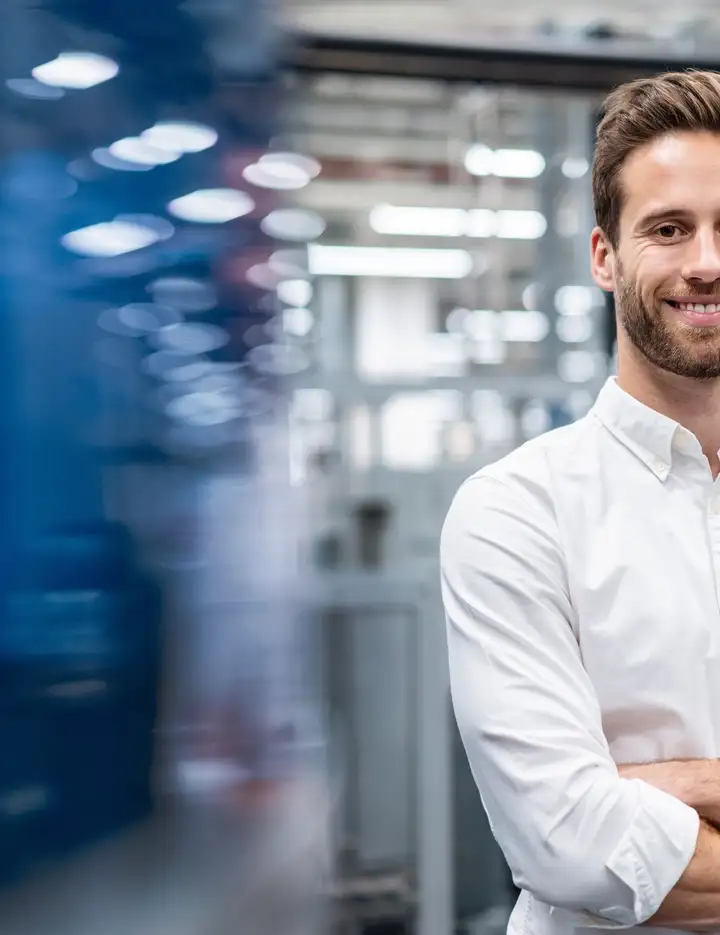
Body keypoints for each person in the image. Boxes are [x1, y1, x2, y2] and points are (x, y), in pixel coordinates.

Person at [440, 69, 720, 935]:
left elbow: (602, 823)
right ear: (605, 256)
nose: (705, 262)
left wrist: (659, 789)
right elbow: (564, 838)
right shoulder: (515, 513)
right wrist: (592, 808)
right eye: (668, 229)